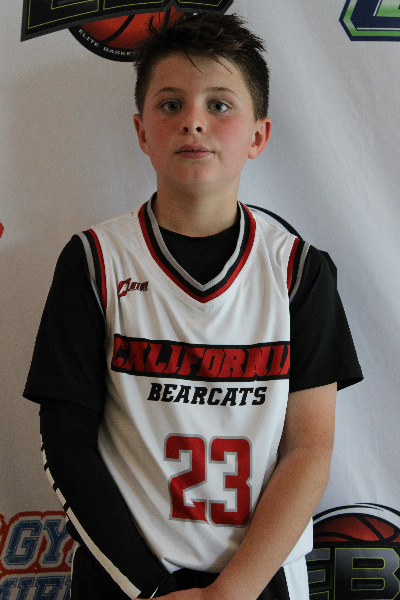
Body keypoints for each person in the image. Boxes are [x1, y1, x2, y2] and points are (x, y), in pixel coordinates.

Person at [24, 12, 363, 600]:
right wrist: (152, 591)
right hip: (127, 580)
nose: (194, 122)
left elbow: (309, 449)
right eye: (171, 104)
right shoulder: (95, 261)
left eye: (219, 105)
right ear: (141, 132)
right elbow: (66, 441)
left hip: (258, 580)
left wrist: (231, 593)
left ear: (258, 136)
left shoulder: (300, 271)